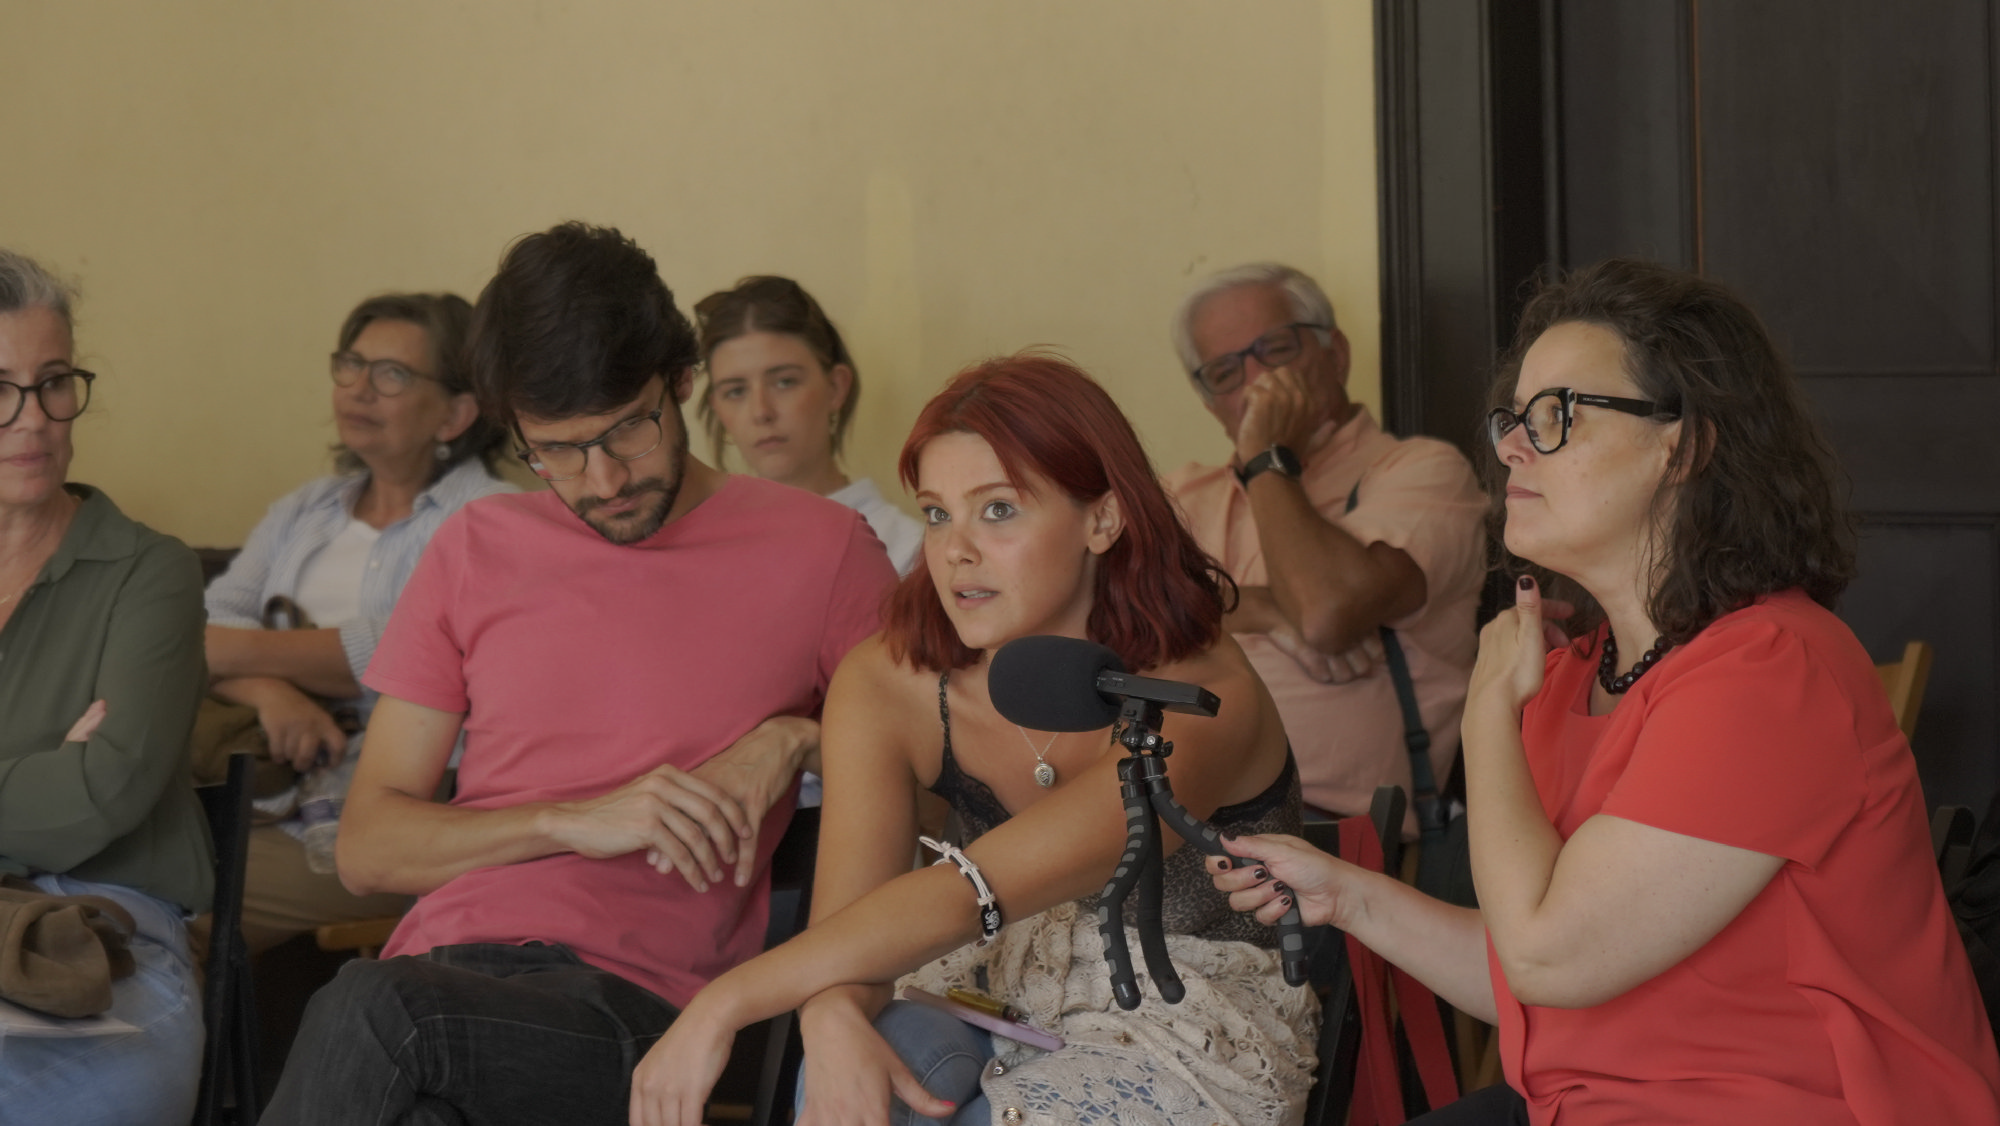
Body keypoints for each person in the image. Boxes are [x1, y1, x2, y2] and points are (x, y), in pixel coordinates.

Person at [1211, 259, 2000, 1124]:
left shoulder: (1774, 668)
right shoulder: (1569, 677)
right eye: (1514, 417)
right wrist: (1347, 896)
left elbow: (1551, 957)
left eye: (1558, 415)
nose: (1511, 446)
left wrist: (1485, 713)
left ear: (1684, 446)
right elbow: (1529, 973)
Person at [258, 223, 898, 1125]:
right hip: (439, 983)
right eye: (555, 449)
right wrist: (572, 820)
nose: (601, 481)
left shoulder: (823, 550)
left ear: (681, 381)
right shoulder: (476, 546)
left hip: (637, 1013)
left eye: (627, 430)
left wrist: (795, 739)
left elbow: (927, 776)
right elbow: (368, 849)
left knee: (372, 1010)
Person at [631, 354, 1319, 1126]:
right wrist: (830, 1013)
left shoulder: (1196, 694)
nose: (956, 550)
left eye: (997, 510)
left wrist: (723, 1004)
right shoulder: (890, 682)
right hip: (986, 994)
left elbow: (968, 895)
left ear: (1102, 519)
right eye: (936, 514)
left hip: (1182, 1026)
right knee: (857, 1064)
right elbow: (847, 931)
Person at [203, 292, 516, 954]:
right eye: (351, 364)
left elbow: (396, 654)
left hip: (400, 813)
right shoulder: (306, 508)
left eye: (392, 374)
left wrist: (236, 654)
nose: (359, 389)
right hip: (265, 787)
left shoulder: (493, 517)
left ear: (457, 413)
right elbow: (204, 628)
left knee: (182, 901)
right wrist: (273, 694)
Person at [0, 249, 211, 1124]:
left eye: (54, 383)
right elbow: (72, 790)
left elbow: (106, 788)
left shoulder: (149, 572)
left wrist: (77, 778)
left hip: (107, 939)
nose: (34, 420)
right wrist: (42, 774)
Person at [1162, 263, 1486, 822]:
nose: (1257, 382)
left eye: (1275, 350)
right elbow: (1101, 623)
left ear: (1335, 355)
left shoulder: (1419, 471)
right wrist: (1264, 609)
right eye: (1225, 372)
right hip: (1165, 813)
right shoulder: (1182, 497)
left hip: (1329, 833)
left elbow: (1324, 615)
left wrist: (1265, 456)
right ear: (1210, 403)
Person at [696, 275, 922, 573]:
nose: (761, 412)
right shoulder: (704, 554)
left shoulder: (907, 552)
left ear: (836, 388)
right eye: (736, 391)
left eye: (784, 382)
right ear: (717, 407)